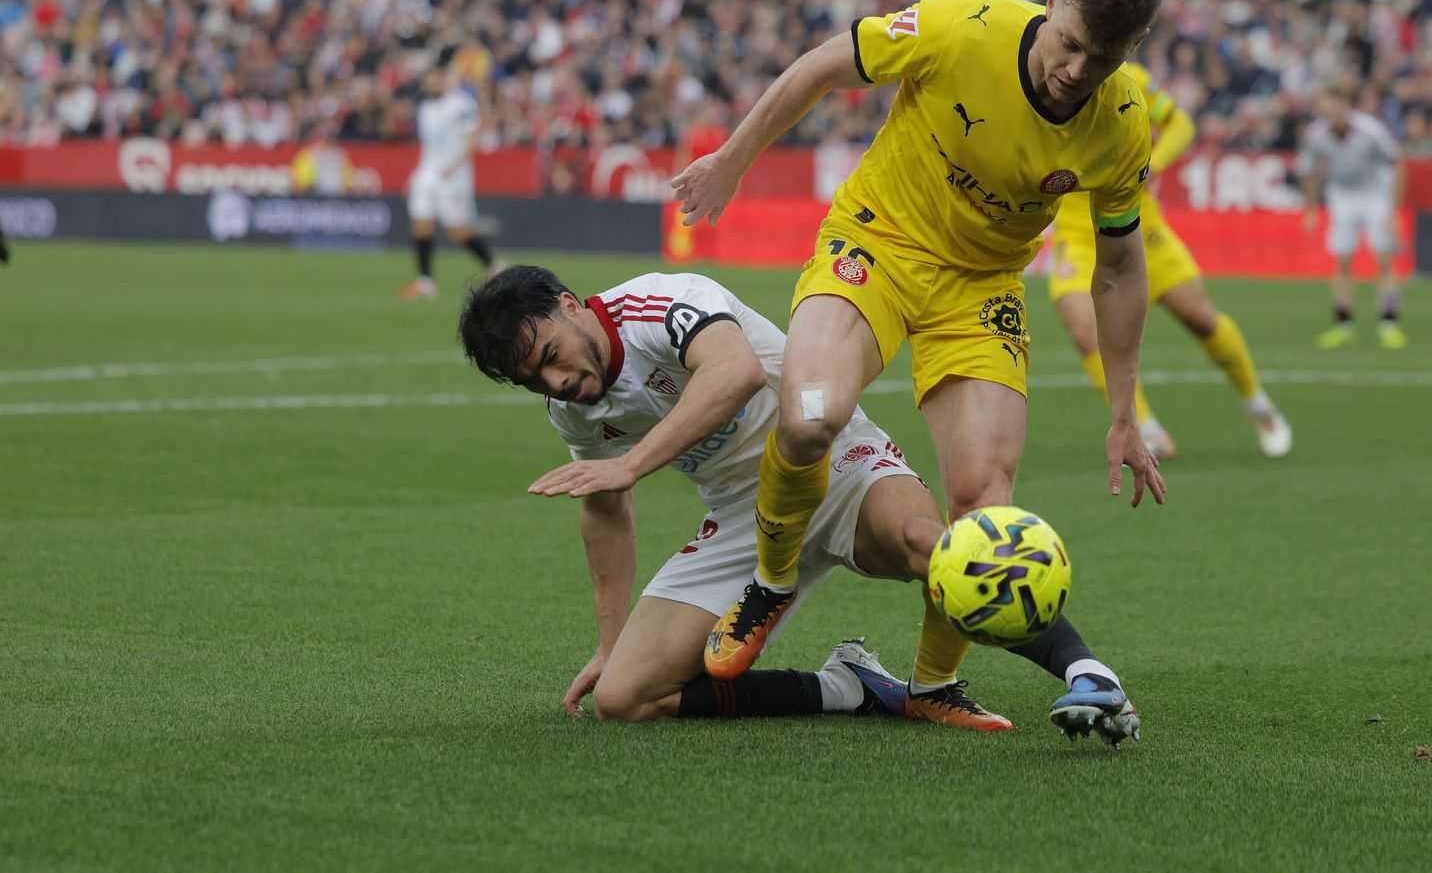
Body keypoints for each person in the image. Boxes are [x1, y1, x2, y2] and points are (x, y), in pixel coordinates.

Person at [672, 0, 1168, 718]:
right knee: (811, 420)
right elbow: (822, 66)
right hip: (877, 243)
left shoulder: (1123, 124)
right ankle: (769, 586)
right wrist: (734, 158)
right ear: (1050, 0)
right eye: (1069, 42)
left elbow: (1120, 269)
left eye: (1100, 59)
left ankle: (932, 685)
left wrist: (1122, 414)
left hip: (981, 289)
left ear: (1130, 51)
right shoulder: (960, 29)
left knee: (981, 505)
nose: (1076, 69)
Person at [458, 265, 1142, 742]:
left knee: (929, 545)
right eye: (533, 378)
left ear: (573, 306)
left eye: (551, 353)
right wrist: (608, 645)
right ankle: (848, 687)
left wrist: (632, 464)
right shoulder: (570, 411)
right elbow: (605, 510)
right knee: (626, 700)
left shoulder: (659, 303)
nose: (557, 380)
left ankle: (1088, 673)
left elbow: (737, 371)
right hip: (739, 520)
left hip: (834, 462)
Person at [1047, 62, 1291, 459]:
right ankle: (1144, 426)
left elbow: (1181, 125)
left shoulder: (1131, 79)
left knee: (1199, 317)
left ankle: (1257, 402)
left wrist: (1151, 166)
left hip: (1136, 224)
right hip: (1075, 231)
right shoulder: (1050, 74)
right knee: (1083, 329)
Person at [1296, 82, 1408, 350]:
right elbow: (1306, 170)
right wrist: (1312, 209)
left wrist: (1393, 211)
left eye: (1336, 108)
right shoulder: (1317, 134)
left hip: (1374, 192)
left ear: (1347, 107)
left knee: (1382, 258)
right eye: (1326, 109)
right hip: (1342, 195)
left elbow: (1398, 163)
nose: (1332, 115)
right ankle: (1343, 323)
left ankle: (1389, 322)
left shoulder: (1371, 130)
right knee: (1343, 260)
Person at [398, 59, 505, 301]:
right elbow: (428, 147)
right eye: (428, 80)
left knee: (457, 231)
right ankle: (425, 281)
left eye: (435, 78)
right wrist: (416, 175)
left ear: (443, 79)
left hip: (453, 176)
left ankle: (495, 264)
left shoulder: (460, 104)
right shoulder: (425, 108)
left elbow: (472, 136)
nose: (430, 83)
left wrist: (456, 164)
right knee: (420, 223)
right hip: (428, 174)